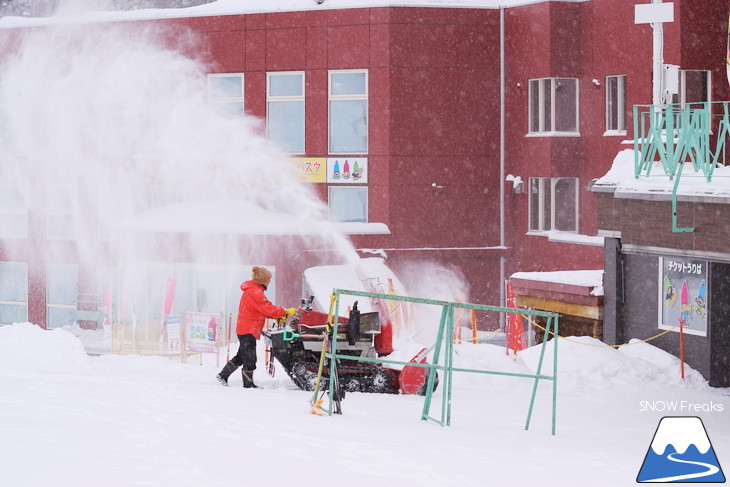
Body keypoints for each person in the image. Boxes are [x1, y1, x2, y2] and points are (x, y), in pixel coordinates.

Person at [216, 266, 296, 388]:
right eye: (268, 279)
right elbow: (267, 308)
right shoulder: (256, 292)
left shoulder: (254, 289)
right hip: (248, 330)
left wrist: (276, 316)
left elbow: (260, 310)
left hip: (246, 328)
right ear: (263, 280)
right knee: (250, 358)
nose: (269, 281)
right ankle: (248, 384)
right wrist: (284, 311)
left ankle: (223, 376)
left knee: (241, 356)